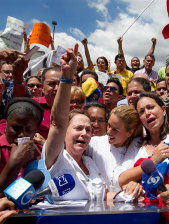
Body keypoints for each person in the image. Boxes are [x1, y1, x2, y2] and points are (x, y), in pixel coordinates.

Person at [43, 44, 142, 201]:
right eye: (78, 128)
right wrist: (67, 77)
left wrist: (131, 194)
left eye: (88, 130)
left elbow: (105, 196)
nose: (84, 133)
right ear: (65, 132)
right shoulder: (57, 159)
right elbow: (57, 123)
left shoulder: (91, 164)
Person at [118, 25, 169, 192]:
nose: (147, 113)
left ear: (164, 110)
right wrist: (152, 161)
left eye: (151, 107)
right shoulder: (137, 144)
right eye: (142, 111)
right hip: (146, 215)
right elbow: (122, 178)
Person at [0, 97, 43, 202]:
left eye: (28, 130)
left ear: (35, 131)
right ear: (5, 125)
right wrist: (15, 162)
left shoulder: (40, 152)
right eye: (16, 128)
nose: (22, 135)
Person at [87, 105, 143, 192]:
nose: (109, 131)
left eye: (115, 130)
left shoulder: (139, 151)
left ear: (129, 132)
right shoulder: (94, 143)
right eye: (109, 125)